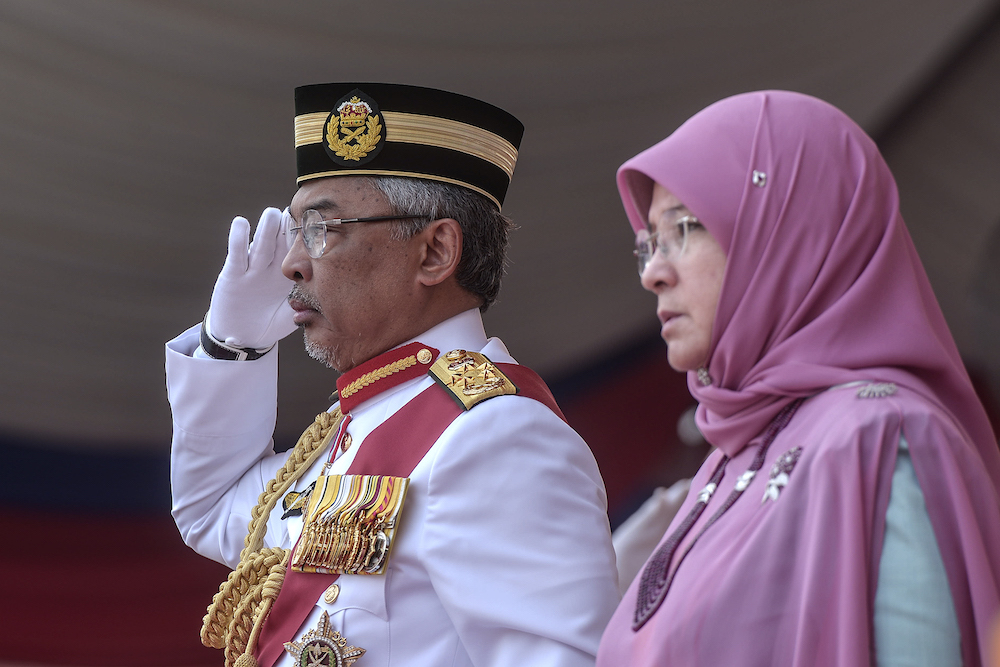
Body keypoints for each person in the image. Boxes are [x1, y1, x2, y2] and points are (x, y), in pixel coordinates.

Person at [166, 82, 619, 667]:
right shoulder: (356, 420)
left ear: (434, 253)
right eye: (295, 230)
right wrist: (232, 347)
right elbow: (212, 508)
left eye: (322, 230)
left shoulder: (498, 435)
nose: (291, 262)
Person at [597, 90, 1000, 666]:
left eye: (685, 228)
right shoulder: (727, 462)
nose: (654, 274)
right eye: (649, 245)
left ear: (791, 230)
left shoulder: (882, 435)